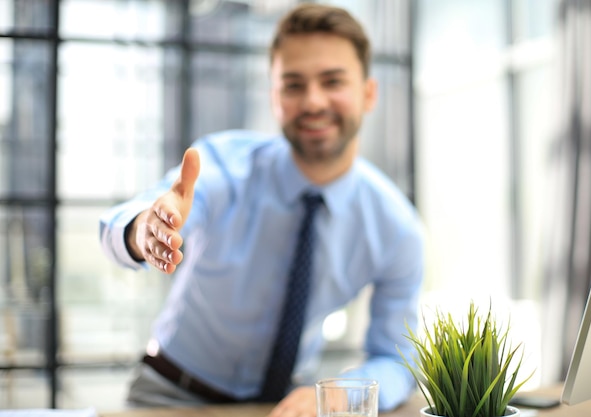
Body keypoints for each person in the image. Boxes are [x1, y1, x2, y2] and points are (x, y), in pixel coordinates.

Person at [99, 3, 425, 416]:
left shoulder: (396, 227)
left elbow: (397, 357)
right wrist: (143, 228)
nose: (313, 101)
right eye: (293, 85)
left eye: (332, 81)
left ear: (368, 93)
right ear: (274, 96)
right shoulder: (222, 164)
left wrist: (343, 391)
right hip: (169, 396)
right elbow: (134, 218)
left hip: (281, 405)